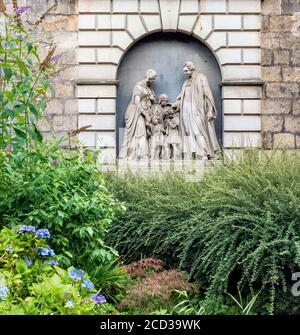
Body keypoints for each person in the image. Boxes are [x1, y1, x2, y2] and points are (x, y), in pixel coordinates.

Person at [173, 61, 220, 159]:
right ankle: (192, 153)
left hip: (197, 109)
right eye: (184, 71)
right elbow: (181, 95)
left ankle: (204, 152)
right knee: (187, 131)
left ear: (191, 68)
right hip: (185, 109)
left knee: (197, 130)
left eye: (186, 70)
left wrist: (210, 110)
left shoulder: (201, 78)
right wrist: (177, 104)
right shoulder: (186, 82)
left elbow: (208, 96)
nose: (185, 73)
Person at [119, 69, 157, 160]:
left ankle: (142, 155)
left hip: (145, 112)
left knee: (143, 133)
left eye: (154, 79)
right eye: (152, 78)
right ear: (148, 77)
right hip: (136, 113)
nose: (153, 81)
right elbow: (137, 102)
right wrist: (145, 115)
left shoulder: (148, 88)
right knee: (140, 133)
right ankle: (135, 155)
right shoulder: (138, 86)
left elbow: (153, 100)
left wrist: (152, 99)